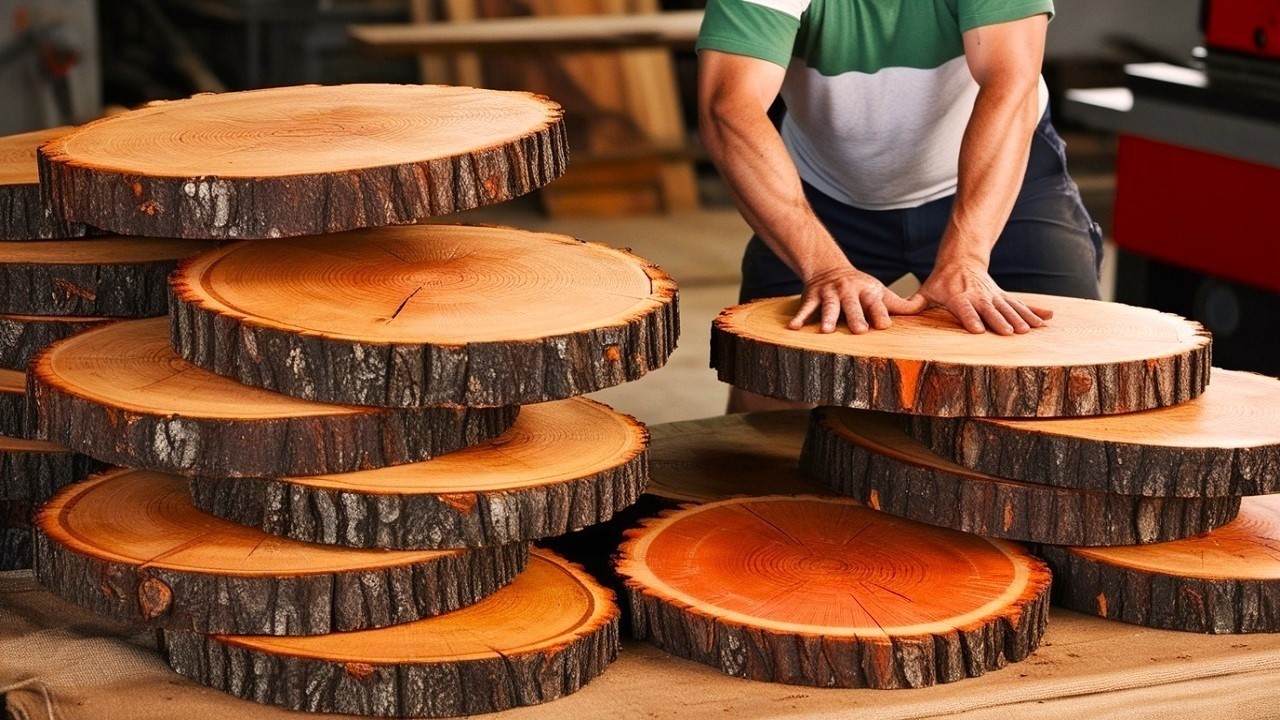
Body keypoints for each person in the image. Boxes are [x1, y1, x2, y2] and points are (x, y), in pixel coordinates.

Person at [698, 0, 1104, 412]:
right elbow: (728, 106)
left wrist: (966, 256)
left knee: (1074, 374)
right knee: (766, 383)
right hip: (825, 193)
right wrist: (825, 268)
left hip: (999, 184)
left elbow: (1012, 81)